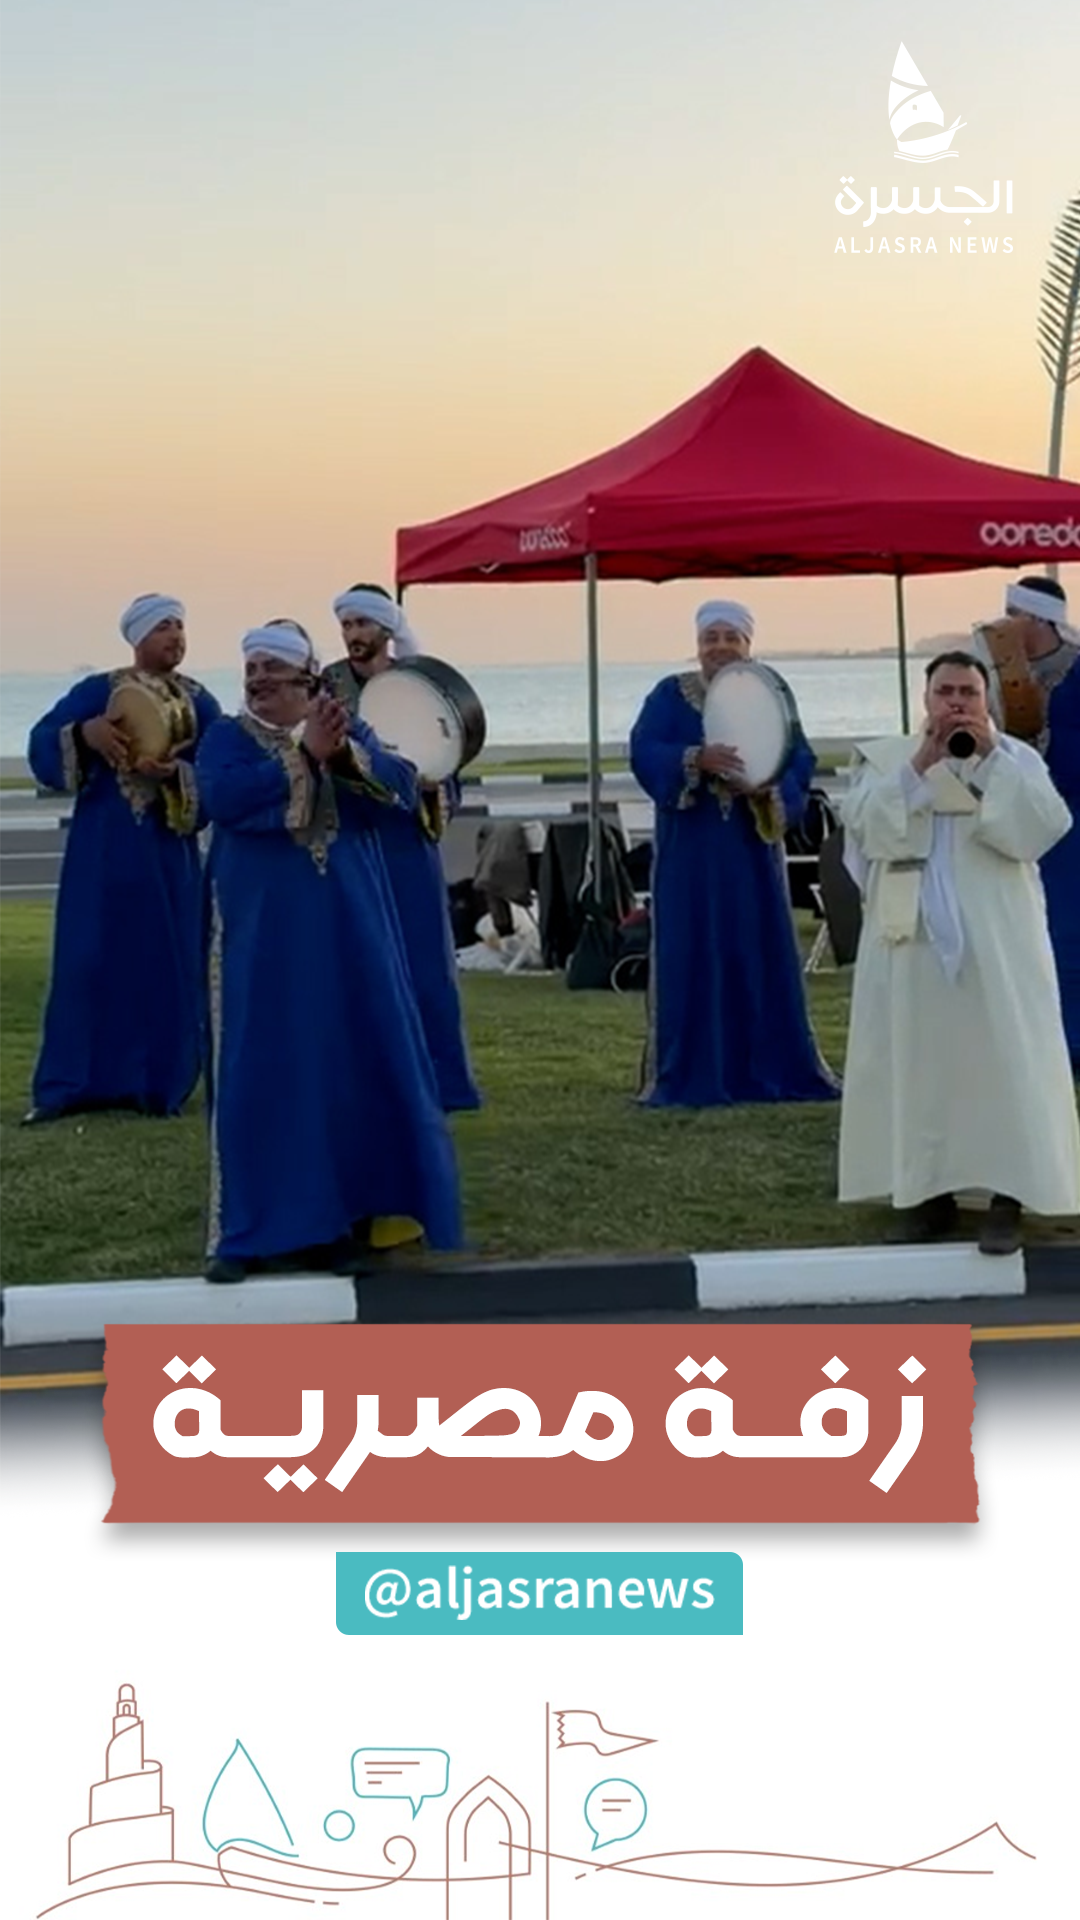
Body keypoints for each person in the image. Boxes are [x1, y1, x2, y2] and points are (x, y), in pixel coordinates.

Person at [196, 622, 463, 1283]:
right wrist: (304, 756)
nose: (258, 678)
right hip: (261, 940)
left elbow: (401, 787)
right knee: (260, 1070)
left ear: (307, 680)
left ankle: (335, 1223)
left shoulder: (349, 729)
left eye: (272, 668)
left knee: (341, 1065)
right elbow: (223, 797)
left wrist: (340, 756)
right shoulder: (228, 738)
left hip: (345, 934)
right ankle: (248, 1234)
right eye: (251, 668)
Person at [838, 650, 1080, 1255]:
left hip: (996, 939)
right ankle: (926, 1195)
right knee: (918, 1063)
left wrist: (990, 756)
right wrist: (921, 764)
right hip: (912, 939)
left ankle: (1008, 1197)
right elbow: (866, 828)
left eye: (967, 692)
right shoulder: (887, 760)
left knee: (1004, 1061)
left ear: (986, 699)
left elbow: (1043, 827)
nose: (955, 703)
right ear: (926, 699)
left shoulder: (1016, 759)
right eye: (945, 691)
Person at [629, 599, 838, 1107]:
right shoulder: (669, 695)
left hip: (750, 850)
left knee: (756, 948)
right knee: (692, 950)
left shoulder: (771, 692)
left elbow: (799, 757)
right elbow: (643, 750)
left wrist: (766, 786)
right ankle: (694, 1070)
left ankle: (768, 1065)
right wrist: (695, 759)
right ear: (698, 644)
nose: (720, 647)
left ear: (748, 643)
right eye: (711, 638)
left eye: (730, 638)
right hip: (690, 852)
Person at [24, 594, 220, 1122]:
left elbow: (219, 772)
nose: (175, 636)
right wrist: (84, 734)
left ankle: (157, 1085)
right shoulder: (99, 691)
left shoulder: (198, 702)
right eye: (163, 627)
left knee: (165, 962)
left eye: (179, 626)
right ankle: (70, 1085)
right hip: (101, 853)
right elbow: (41, 743)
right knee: (87, 962)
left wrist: (179, 777)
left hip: (167, 855)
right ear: (137, 638)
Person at [323, 582, 481, 1112]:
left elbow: (447, 756)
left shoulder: (421, 683)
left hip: (407, 841)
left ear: (385, 628)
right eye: (346, 625)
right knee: (354, 961)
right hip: (349, 838)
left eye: (361, 624)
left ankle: (440, 1081)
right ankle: (362, 1083)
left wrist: (433, 787)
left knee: (423, 962)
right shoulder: (326, 687)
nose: (353, 634)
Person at [971, 575, 1080, 1070]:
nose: (1006, 623)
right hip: (1008, 818)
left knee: (1066, 932)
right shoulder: (992, 675)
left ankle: (1069, 1044)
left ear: (1038, 619)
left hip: (1070, 823)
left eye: (1014, 614)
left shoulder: (1075, 670)